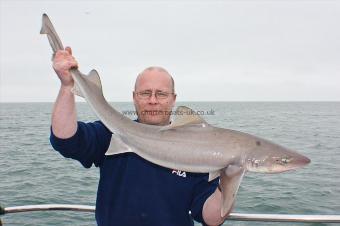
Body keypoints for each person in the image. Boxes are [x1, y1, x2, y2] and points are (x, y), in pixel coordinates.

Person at [50, 47, 229, 226]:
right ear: (134, 97)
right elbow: (65, 140)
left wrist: (228, 180)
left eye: (161, 94)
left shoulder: (196, 149)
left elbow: (210, 218)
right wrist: (67, 86)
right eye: (145, 93)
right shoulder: (111, 133)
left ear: (173, 99)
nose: (153, 100)